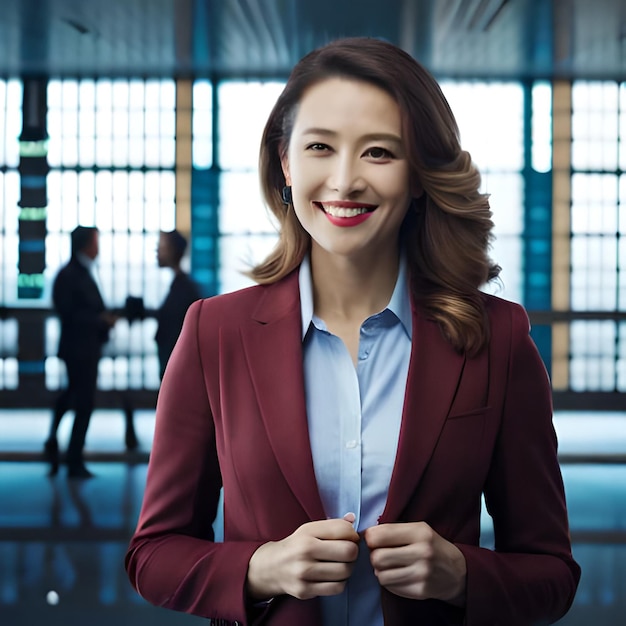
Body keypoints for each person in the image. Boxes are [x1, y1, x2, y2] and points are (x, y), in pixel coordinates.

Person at [125, 37, 581, 625]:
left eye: (380, 153)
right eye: (319, 147)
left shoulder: (499, 338)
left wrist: (462, 575)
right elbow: (153, 555)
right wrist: (262, 568)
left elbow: (552, 574)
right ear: (286, 163)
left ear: (419, 175)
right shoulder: (215, 332)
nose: (345, 182)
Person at [44, 226, 117, 479]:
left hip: (81, 348)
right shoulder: (72, 275)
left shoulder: (74, 273)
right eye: (96, 242)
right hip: (80, 349)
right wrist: (101, 321)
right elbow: (70, 313)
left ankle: (54, 442)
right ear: (85, 244)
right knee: (83, 402)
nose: (98, 248)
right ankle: (73, 459)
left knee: (73, 396)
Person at [154, 229, 201, 379]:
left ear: (173, 250)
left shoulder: (184, 288)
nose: (157, 250)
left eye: (162, 246)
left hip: (178, 366)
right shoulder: (178, 285)